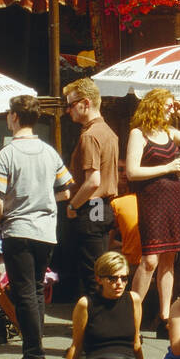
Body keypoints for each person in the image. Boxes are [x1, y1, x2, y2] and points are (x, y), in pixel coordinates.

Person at [33, 252, 171, 359]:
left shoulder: (133, 300)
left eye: (124, 278)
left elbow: (136, 343)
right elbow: (76, 346)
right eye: (112, 278)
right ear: (99, 279)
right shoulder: (86, 304)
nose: (119, 283)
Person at [0, 95, 72, 359]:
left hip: (18, 228)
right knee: (35, 290)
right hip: (46, 230)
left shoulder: (6, 154)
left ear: (13, 117)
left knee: (24, 292)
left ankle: (33, 354)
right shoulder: (49, 152)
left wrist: (1, 218)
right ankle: (37, 350)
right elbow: (66, 190)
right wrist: (42, 201)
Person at [126, 88, 180, 334]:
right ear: (154, 105)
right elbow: (132, 172)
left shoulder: (170, 131)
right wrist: (167, 166)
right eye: (169, 105)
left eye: (173, 106)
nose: (172, 109)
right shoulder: (138, 134)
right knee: (149, 259)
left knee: (170, 258)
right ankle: (132, 318)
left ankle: (164, 315)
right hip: (151, 199)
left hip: (173, 197)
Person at [62, 78, 121, 305]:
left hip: (91, 208)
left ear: (85, 103)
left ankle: (93, 324)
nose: (68, 111)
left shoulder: (89, 135)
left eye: (71, 104)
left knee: (92, 273)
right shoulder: (107, 131)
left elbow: (93, 181)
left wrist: (72, 205)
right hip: (102, 208)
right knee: (100, 267)